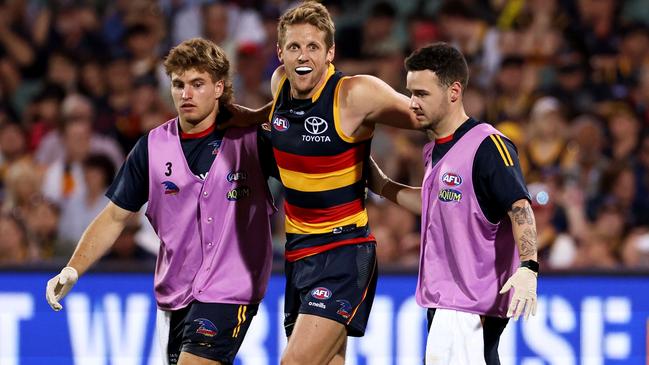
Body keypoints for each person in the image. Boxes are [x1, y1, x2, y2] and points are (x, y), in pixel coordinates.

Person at [45, 38, 276, 365]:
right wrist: (73, 268)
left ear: (220, 88)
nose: (186, 94)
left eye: (198, 84)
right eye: (178, 84)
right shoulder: (152, 147)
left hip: (230, 289)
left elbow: (310, 172)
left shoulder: (251, 140)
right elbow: (113, 217)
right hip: (174, 295)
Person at [264, 2, 421, 364]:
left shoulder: (355, 94)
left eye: (313, 47)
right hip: (298, 253)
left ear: (330, 51)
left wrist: (472, 153)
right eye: (294, 47)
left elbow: (425, 116)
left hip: (344, 253)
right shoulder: (280, 86)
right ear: (280, 53)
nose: (303, 57)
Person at [369, 43, 538, 365]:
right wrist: (382, 185)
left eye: (422, 94)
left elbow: (520, 206)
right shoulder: (435, 150)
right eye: (410, 93)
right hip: (446, 300)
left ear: (454, 91)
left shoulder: (488, 145)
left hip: (470, 304)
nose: (412, 103)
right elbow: (435, 205)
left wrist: (529, 266)